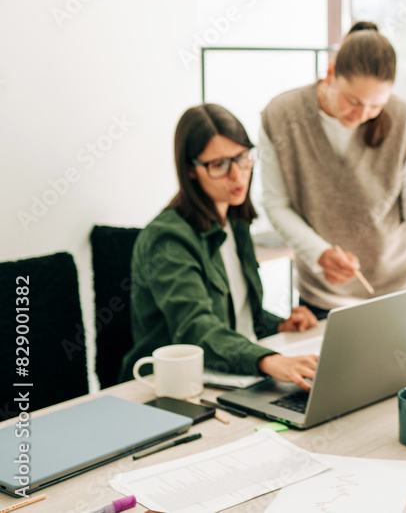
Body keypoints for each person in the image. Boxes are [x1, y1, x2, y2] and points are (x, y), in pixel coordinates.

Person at [121, 104, 319, 390]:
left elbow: (237, 317)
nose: (237, 176)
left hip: (231, 376)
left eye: (242, 158)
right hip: (169, 387)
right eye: (219, 165)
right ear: (191, 170)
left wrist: (278, 325)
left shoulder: (236, 222)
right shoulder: (168, 238)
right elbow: (197, 327)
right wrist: (270, 360)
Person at [259, 21, 406, 318]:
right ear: (330, 73)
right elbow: (276, 203)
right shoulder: (280, 116)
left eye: (375, 106)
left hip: (398, 295)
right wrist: (320, 254)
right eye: (353, 101)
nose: (361, 115)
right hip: (321, 300)